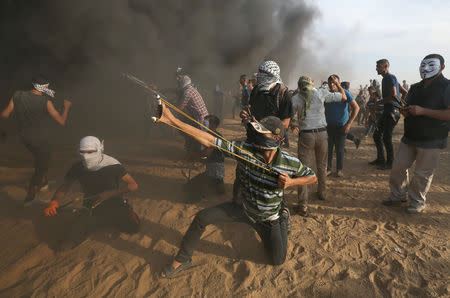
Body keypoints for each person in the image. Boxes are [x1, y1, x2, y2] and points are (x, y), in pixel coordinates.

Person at [156, 104, 316, 278]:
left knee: (277, 260)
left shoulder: (289, 161)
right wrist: (172, 120)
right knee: (202, 218)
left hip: (269, 219)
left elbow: (311, 176)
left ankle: (283, 214)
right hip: (244, 209)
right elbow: (210, 140)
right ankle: (183, 259)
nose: (257, 134)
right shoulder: (245, 150)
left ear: (277, 138)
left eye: (263, 132)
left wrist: (291, 182)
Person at [384, 54, 450, 213]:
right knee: (398, 168)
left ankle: (417, 201)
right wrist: (405, 111)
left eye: (431, 65)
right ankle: (398, 195)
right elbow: (410, 108)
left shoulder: (447, 86)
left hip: (432, 138)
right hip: (410, 136)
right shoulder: (415, 87)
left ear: (442, 67)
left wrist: (423, 111)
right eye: (423, 65)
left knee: (422, 174)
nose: (425, 68)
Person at [43, 136, 140, 241]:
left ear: (100, 149)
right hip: (91, 204)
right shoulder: (77, 167)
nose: (86, 156)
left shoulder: (113, 165)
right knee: (75, 234)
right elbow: (65, 186)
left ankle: (123, 210)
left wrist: (110, 193)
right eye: (83, 152)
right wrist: (54, 201)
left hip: (113, 201)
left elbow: (133, 185)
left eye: (90, 152)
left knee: (133, 227)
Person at [0, 76, 72, 205]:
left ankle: (43, 183)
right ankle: (30, 198)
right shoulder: (45, 102)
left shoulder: (17, 95)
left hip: (24, 137)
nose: (48, 88)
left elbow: (5, 114)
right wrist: (66, 107)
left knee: (40, 159)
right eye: (47, 86)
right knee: (41, 167)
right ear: (43, 87)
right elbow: (61, 121)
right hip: (41, 139)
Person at [291, 75, 347, 216]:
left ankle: (303, 203)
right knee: (321, 165)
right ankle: (322, 193)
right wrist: (337, 84)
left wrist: (293, 125)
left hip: (306, 135)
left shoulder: (296, 98)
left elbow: (290, 116)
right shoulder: (320, 93)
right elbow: (343, 97)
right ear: (312, 83)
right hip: (322, 134)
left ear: (299, 85)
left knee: (303, 169)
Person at [370, 59, 407, 170]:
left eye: (378, 66)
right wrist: (400, 106)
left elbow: (393, 95)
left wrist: (378, 103)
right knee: (377, 135)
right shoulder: (389, 78)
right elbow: (404, 92)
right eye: (376, 66)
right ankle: (381, 159)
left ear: (385, 66)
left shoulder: (389, 78)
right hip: (389, 111)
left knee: (386, 137)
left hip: (391, 112)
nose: (376, 68)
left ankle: (390, 162)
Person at [324, 75, 359, 177]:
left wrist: (348, 124)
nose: (331, 85)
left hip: (342, 126)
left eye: (334, 82)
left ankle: (339, 170)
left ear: (338, 83)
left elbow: (356, 108)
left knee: (340, 150)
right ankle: (329, 169)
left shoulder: (344, 93)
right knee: (328, 149)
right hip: (329, 126)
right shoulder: (326, 94)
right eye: (330, 82)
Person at [184, 115, 225, 200]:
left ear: (213, 125)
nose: (203, 124)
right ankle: (218, 185)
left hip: (213, 172)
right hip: (218, 172)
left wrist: (194, 155)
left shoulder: (212, 137)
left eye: (205, 123)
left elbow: (206, 154)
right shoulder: (217, 135)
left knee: (189, 187)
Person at [178, 75, 209, 160]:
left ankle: (203, 159)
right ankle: (201, 156)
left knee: (201, 140)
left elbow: (180, 108)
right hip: (205, 117)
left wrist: (171, 106)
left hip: (200, 119)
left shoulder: (187, 92)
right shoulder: (193, 89)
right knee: (202, 138)